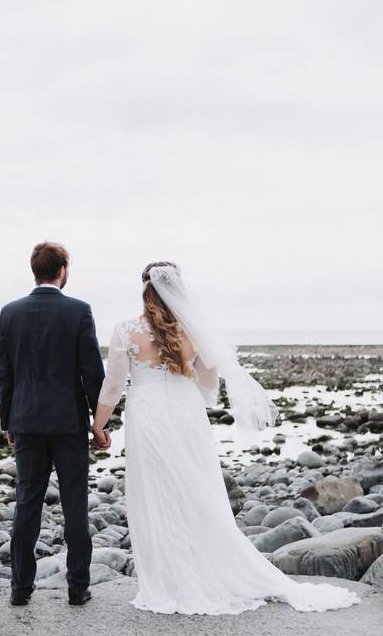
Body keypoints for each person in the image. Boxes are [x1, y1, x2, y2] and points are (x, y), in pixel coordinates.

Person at [90, 261, 362, 615]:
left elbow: (113, 384)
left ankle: (169, 579)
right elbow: (208, 378)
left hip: (148, 413)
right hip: (186, 412)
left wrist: (99, 425)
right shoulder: (193, 328)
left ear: (144, 288)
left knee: (157, 493)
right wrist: (189, 395)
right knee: (196, 490)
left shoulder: (126, 329)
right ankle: (206, 570)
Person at [0, 242, 111, 607]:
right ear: (62, 270)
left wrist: (7, 420)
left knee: (27, 501)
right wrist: (99, 423)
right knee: (76, 503)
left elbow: (4, 371)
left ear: (35, 270)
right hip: (67, 423)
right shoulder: (78, 311)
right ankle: (78, 587)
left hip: (26, 421)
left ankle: (20, 588)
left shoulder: (10, 313)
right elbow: (92, 371)